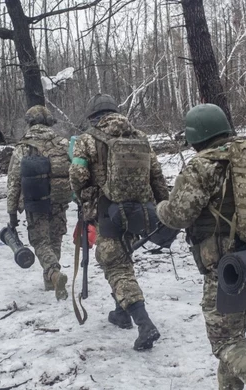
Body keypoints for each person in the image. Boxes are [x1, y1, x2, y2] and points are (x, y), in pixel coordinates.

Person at [155, 104, 246, 390]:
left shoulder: (204, 165)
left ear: (195, 137)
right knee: (235, 335)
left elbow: (179, 216)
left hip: (227, 269)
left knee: (226, 342)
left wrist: (160, 208)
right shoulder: (245, 157)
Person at [69, 93, 169, 351]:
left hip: (107, 210)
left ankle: (144, 322)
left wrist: (83, 198)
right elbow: (156, 175)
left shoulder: (87, 139)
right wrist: (162, 209)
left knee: (116, 267)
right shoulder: (140, 137)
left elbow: (78, 174)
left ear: (93, 117)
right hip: (139, 210)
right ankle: (121, 311)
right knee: (123, 256)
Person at [6, 105, 70, 301]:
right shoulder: (62, 143)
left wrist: (12, 211)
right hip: (59, 200)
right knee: (55, 238)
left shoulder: (23, 147)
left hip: (35, 203)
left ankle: (53, 273)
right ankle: (50, 280)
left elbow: (14, 181)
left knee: (40, 241)